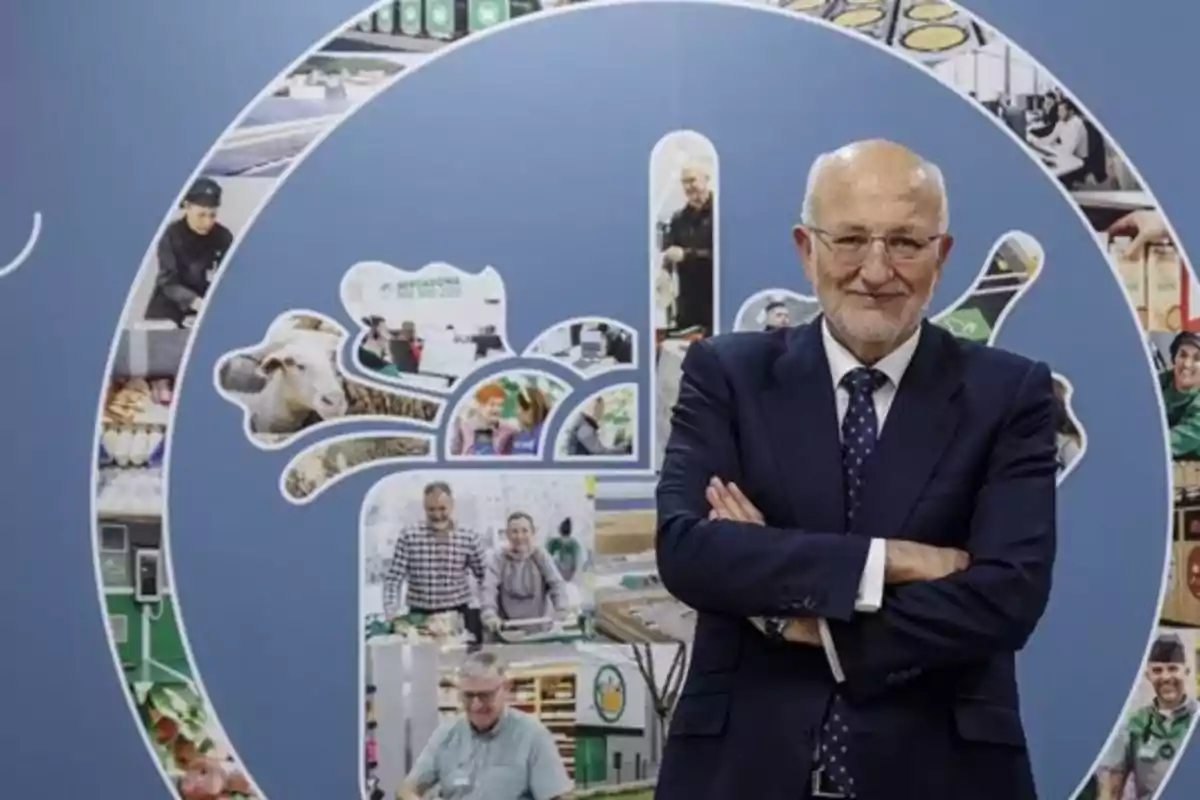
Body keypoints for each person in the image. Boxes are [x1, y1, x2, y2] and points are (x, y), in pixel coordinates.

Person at [654, 139, 1058, 800]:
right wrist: (890, 561)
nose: (875, 270)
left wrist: (795, 620)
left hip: (942, 774)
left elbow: (1005, 597)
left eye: (904, 242)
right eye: (849, 240)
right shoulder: (726, 375)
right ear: (805, 248)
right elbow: (689, 552)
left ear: (942, 256)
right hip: (738, 773)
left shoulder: (1009, 396)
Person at [398, 651, 574, 800]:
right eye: (468, 696)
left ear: (505, 688)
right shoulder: (446, 733)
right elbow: (407, 789)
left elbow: (557, 796)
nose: (475, 705)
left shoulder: (533, 735)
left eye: (485, 695)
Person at [382, 482, 488, 643]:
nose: (437, 515)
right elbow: (393, 578)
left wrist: (489, 609)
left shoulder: (469, 536)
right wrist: (391, 612)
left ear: (451, 505)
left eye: (442, 508)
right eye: (431, 509)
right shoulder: (409, 535)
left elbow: (486, 577)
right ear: (424, 507)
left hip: (457, 614)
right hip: (420, 617)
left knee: (458, 662)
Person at [1095, 633, 1197, 800]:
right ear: (1148, 675)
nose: (1166, 677)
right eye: (1157, 670)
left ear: (1185, 671)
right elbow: (1110, 791)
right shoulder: (1133, 725)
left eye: (1173, 668)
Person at [145, 177, 234, 326]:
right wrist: (195, 302)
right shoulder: (171, 235)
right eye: (201, 215)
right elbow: (167, 281)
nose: (207, 223)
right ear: (187, 206)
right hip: (168, 312)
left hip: (205, 312)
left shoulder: (224, 237)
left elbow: (228, 278)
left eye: (212, 215)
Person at [481, 512, 570, 636]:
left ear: (532, 533)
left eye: (524, 531)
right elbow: (489, 588)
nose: (519, 536)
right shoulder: (498, 559)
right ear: (507, 535)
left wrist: (562, 609)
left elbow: (557, 584)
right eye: (514, 531)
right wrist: (489, 613)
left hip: (538, 631)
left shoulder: (540, 556)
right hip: (507, 632)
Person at [661, 159, 715, 333]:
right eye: (684, 182)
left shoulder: (721, 212)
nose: (688, 187)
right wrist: (664, 271)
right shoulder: (678, 218)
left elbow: (723, 256)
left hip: (714, 303)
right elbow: (668, 250)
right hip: (687, 306)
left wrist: (687, 255)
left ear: (707, 178)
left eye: (692, 180)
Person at [1160, 331, 1200, 460]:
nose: (1187, 364)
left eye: (1197, 358)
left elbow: (1167, 445)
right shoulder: (1159, 382)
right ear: (1174, 358)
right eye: (1182, 355)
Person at [546, 518, 581, 582]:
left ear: (560, 530)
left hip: (556, 575)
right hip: (568, 576)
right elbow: (576, 565)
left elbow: (547, 559)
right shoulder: (575, 544)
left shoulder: (554, 542)